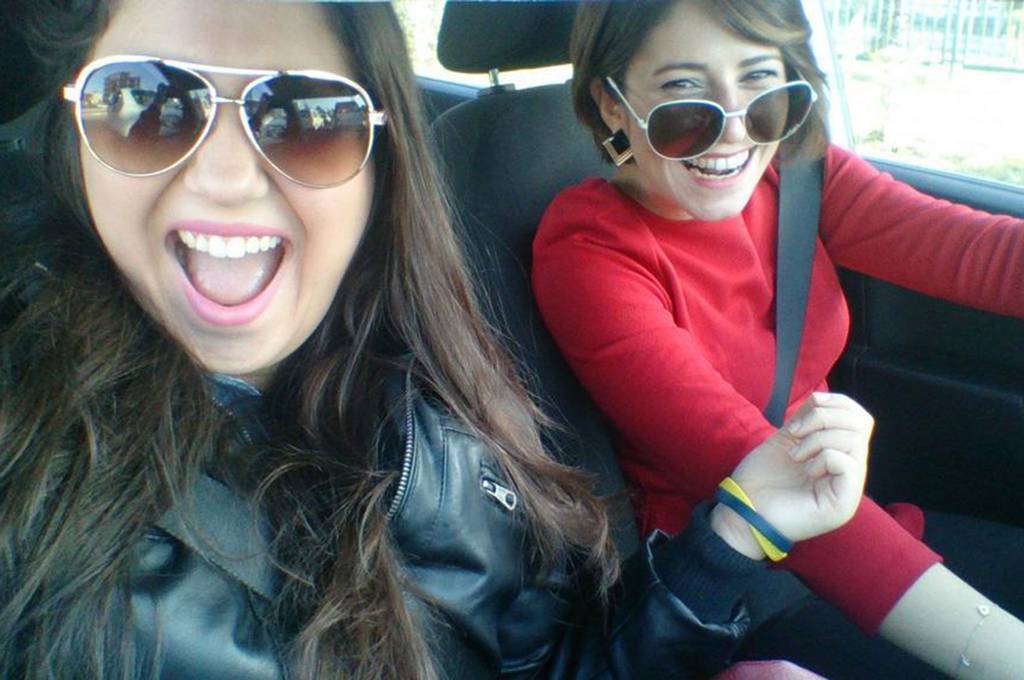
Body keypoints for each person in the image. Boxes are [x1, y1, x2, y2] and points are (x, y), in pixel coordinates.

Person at [0, 1, 865, 678]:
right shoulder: (34, 484)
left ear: (381, 161)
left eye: (305, 114)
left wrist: (737, 531)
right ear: (72, 139)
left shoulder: (425, 386)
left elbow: (540, 665)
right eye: (146, 102)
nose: (225, 179)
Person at [532, 0, 1024, 678]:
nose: (734, 131)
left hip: (854, 516)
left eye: (761, 85)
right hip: (740, 590)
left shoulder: (796, 175)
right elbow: (759, 468)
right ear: (611, 103)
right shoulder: (588, 250)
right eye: (685, 93)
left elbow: (982, 256)